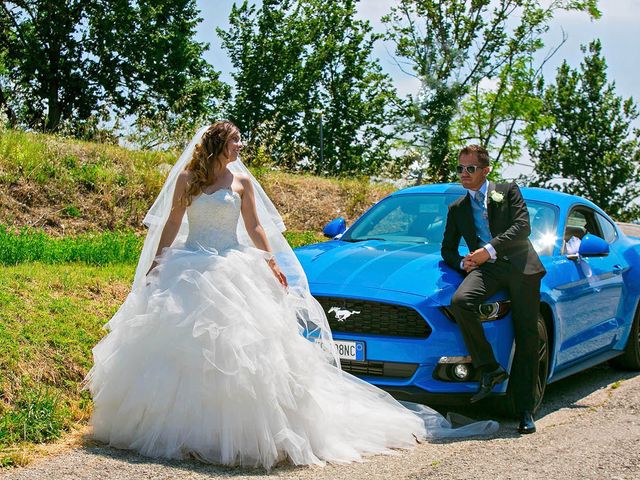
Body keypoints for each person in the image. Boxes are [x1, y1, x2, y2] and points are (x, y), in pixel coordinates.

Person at [86, 122, 497, 470]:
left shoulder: (242, 181)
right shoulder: (187, 179)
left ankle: (236, 433)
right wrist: (159, 261)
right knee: (181, 348)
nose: (241, 147)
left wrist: (271, 262)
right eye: (235, 141)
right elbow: (173, 221)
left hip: (233, 265)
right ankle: (181, 431)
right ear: (217, 144)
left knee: (241, 349)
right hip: (190, 265)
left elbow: (255, 228)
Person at [441, 145, 546, 435]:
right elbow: (447, 248)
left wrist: (488, 249)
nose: (464, 173)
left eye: (470, 168)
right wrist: (462, 263)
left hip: (522, 267)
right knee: (461, 300)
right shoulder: (457, 208)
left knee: (526, 335)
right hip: (488, 271)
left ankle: (524, 409)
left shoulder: (507, 190)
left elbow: (522, 228)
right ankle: (489, 368)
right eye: (460, 168)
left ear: (485, 170)